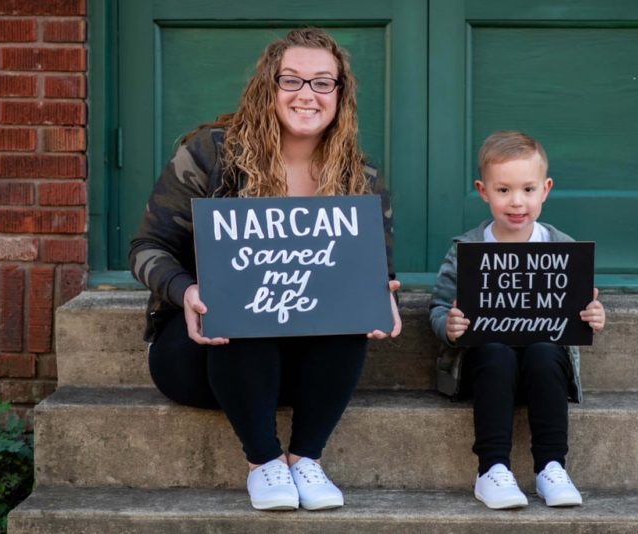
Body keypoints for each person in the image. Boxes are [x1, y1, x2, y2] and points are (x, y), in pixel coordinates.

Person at [129, 28, 401, 512]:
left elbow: (375, 271)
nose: (306, 94)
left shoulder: (360, 177)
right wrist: (185, 290)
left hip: (303, 364)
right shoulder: (209, 153)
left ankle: (305, 459)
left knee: (346, 317)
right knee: (245, 302)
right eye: (291, 80)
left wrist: (382, 298)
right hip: (204, 351)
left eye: (322, 83)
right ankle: (264, 462)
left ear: (340, 94)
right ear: (268, 87)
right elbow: (147, 247)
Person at [428, 130, 605, 509]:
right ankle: (491, 470)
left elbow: (579, 309)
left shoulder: (562, 248)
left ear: (546, 189)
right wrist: (450, 326)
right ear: (483, 191)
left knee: (544, 351)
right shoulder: (466, 251)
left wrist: (592, 315)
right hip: (489, 369)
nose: (516, 202)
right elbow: (439, 309)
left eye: (527, 189)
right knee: (495, 350)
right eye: (503, 190)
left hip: (544, 369)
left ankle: (551, 468)